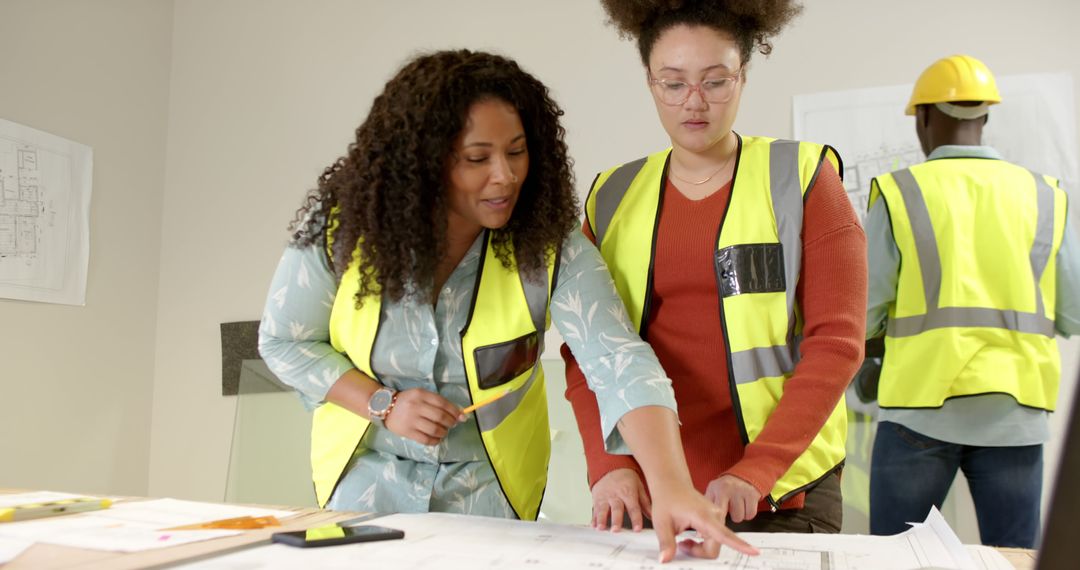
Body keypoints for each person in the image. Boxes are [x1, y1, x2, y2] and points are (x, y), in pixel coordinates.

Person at [257, 48, 757, 562]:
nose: (505, 176)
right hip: (364, 489)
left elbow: (617, 358)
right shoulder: (344, 231)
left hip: (492, 495)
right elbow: (283, 342)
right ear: (425, 162)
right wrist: (380, 404)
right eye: (477, 159)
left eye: (516, 152)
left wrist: (670, 484)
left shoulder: (547, 243)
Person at [564, 0, 866, 535]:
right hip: (658, 489)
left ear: (743, 75)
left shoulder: (802, 179)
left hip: (782, 492)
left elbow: (836, 345)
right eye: (673, 83)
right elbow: (585, 349)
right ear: (650, 83)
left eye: (715, 81)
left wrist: (757, 471)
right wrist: (608, 466)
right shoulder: (611, 196)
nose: (694, 102)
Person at [865, 54, 1080, 548]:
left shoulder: (901, 192)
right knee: (1013, 559)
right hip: (1017, 413)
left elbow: (866, 311)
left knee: (895, 561)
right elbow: (1071, 311)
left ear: (922, 116)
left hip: (918, 405)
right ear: (985, 116)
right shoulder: (1045, 195)